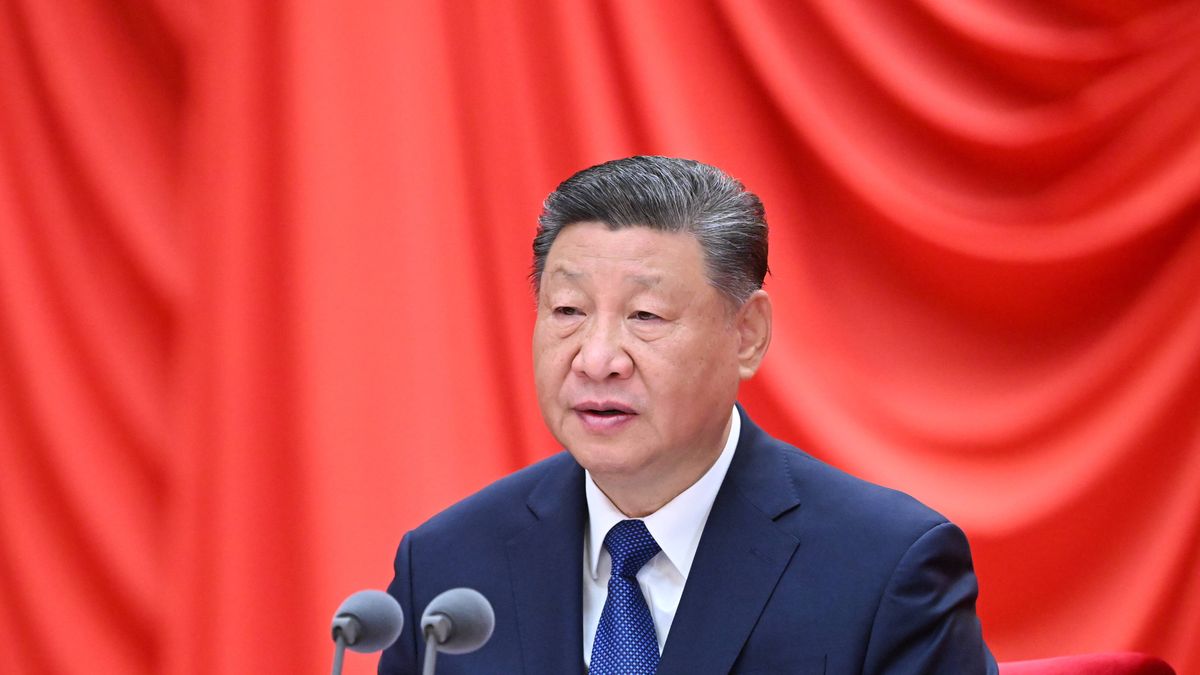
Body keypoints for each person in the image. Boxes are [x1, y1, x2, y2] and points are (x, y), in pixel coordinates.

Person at [379, 156, 998, 674]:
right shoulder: (445, 569)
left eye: (645, 316)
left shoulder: (884, 568)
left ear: (747, 335)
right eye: (567, 310)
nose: (596, 359)